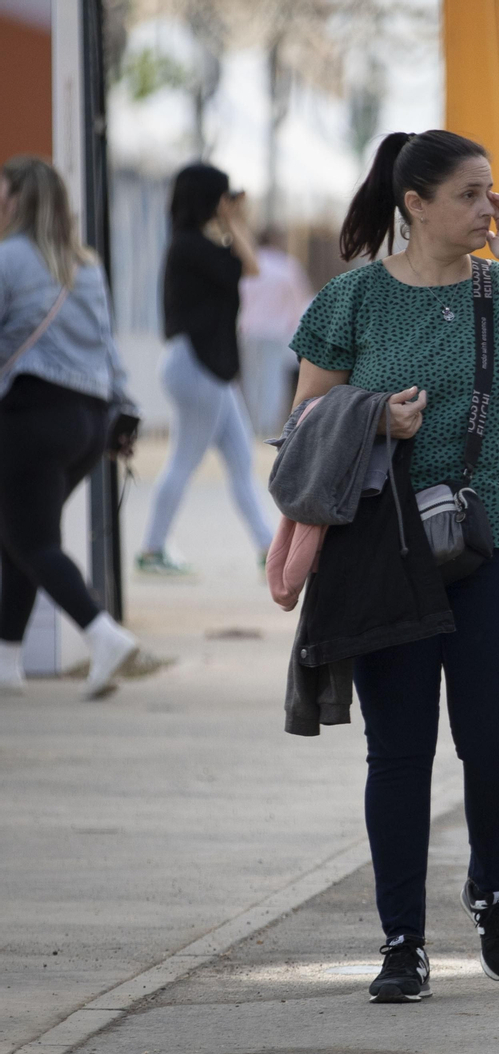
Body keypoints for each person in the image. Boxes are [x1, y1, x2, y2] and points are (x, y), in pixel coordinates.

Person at [290, 130, 499, 1004]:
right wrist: (375, 417)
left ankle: (492, 888)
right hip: (385, 543)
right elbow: (303, 424)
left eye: (491, 191)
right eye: (468, 194)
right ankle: (402, 942)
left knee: (498, 743)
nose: (487, 208)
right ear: (414, 204)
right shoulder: (353, 299)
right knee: (400, 750)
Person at [0, 156, 141, 699]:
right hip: (88, 422)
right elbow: (107, 345)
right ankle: (7, 663)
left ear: (18, 199)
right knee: (18, 535)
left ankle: (103, 634)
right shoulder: (86, 265)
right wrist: (124, 408)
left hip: (31, 417)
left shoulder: (9, 258)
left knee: (30, 540)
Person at [137, 164, 277, 576]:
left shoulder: (193, 244)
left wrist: (231, 221)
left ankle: (269, 549)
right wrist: (234, 221)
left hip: (205, 368)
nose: (228, 203)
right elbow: (251, 266)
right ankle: (152, 549)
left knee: (239, 460)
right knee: (184, 460)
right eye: (222, 196)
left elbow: (248, 265)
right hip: (196, 366)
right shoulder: (190, 246)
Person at [238, 227, 312, 435]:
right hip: (276, 331)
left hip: (249, 330)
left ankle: (251, 425)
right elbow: (301, 302)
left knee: (251, 381)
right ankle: (267, 426)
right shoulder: (287, 266)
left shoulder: (248, 264)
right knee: (272, 381)